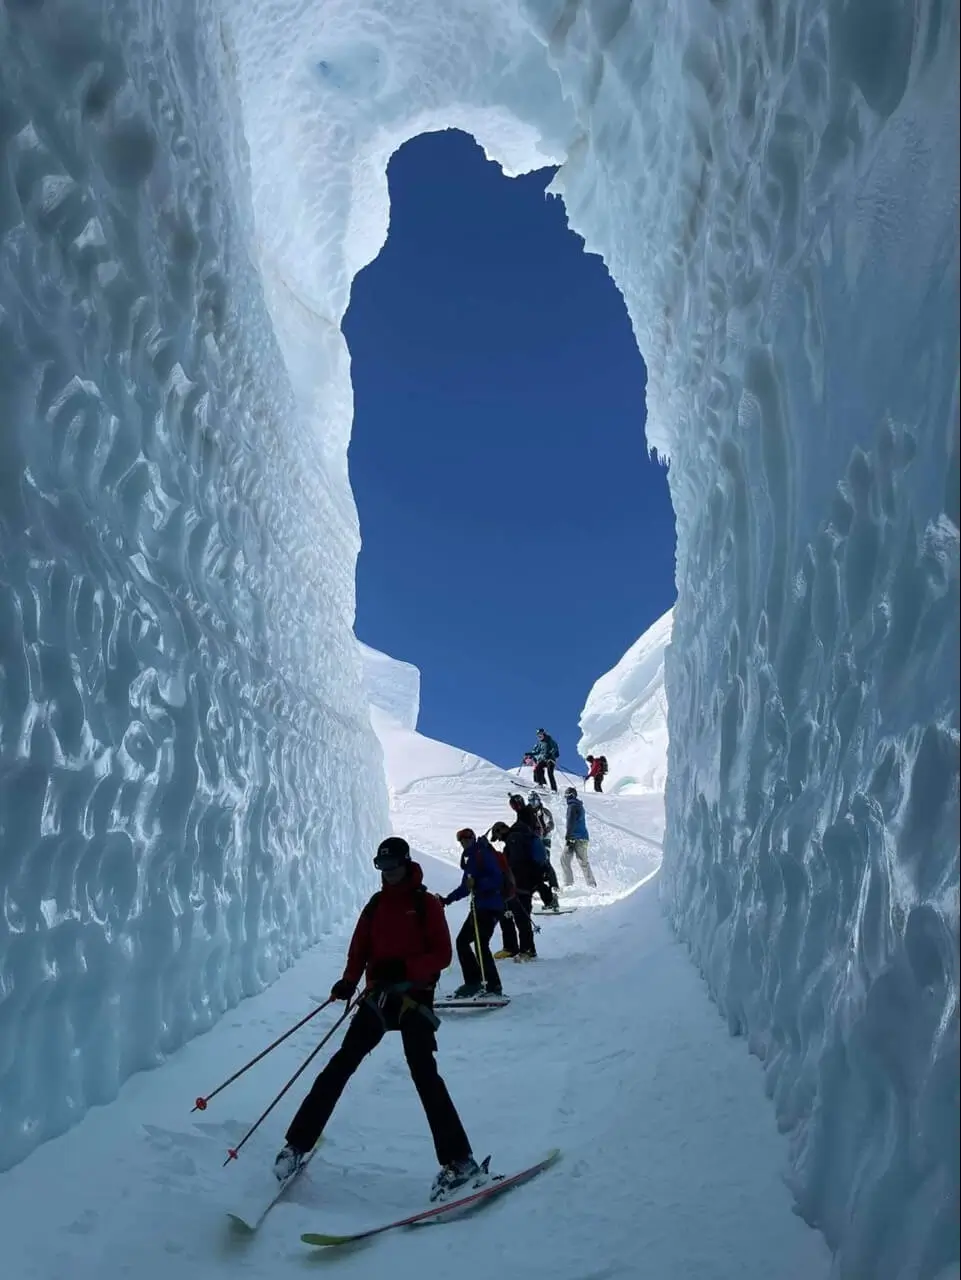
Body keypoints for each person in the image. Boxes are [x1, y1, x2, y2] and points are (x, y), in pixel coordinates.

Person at [273, 836, 485, 1203]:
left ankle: (460, 1161)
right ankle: (296, 1145)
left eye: (393, 867)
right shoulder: (375, 906)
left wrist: (404, 967)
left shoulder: (426, 904)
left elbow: (442, 955)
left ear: (406, 864)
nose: (388, 875)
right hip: (376, 1000)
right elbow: (360, 948)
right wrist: (348, 980)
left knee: (424, 1074)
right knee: (339, 1066)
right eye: (382, 868)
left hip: (413, 1000)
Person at [440, 829, 506, 998]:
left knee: (480, 943)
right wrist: (447, 900)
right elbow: (465, 887)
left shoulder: (483, 854)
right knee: (463, 941)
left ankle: (492, 986)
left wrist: (477, 883)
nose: (464, 842)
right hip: (481, 906)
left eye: (467, 839)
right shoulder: (471, 859)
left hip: (491, 905)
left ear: (473, 838)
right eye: (461, 840)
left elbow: (497, 878)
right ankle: (474, 982)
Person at [490, 820, 541, 961]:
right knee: (507, 916)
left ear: (502, 830)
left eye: (498, 836)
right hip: (518, 886)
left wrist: (511, 881)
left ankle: (528, 950)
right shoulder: (515, 839)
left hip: (521, 886)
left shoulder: (514, 839)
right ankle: (511, 947)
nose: (499, 839)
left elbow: (517, 864)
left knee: (521, 918)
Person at [526, 791, 561, 911]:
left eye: (534, 801)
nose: (532, 804)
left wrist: (546, 829)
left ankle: (554, 885)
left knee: (545, 861)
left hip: (544, 840)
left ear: (538, 801)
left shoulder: (544, 811)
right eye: (530, 801)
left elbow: (551, 822)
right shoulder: (529, 813)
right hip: (534, 841)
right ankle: (538, 888)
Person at [562, 787, 597, 887]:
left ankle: (568, 884)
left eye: (566, 796)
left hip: (574, 838)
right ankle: (591, 884)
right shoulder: (579, 806)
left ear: (570, 795)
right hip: (583, 838)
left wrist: (569, 836)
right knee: (583, 862)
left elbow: (570, 822)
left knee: (564, 859)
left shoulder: (572, 806)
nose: (566, 798)